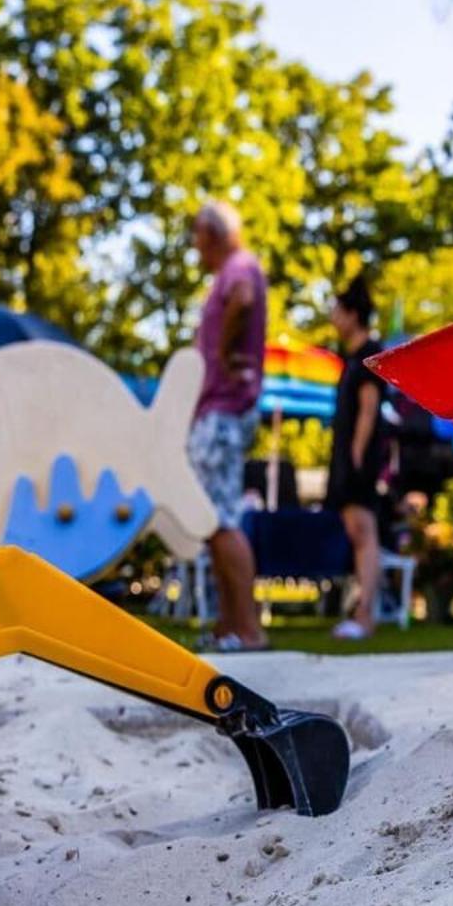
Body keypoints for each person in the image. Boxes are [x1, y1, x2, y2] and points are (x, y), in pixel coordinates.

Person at [186, 200, 268, 651]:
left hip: (223, 409)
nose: (195, 246)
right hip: (217, 409)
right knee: (211, 518)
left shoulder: (239, 267)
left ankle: (249, 629)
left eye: (198, 235)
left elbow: (243, 299)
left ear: (214, 234)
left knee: (220, 519)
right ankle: (230, 626)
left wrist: (221, 352)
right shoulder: (236, 268)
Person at [324, 273, 389, 639]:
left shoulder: (368, 358)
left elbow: (368, 410)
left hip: (358, 459)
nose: (333, 318)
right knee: (356, 530)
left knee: (364, 532)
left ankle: (365, 615)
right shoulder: (350, 358)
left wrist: (356, 458)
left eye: (337, 310)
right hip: (348, 458)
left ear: (352, 314)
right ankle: (361, 611)